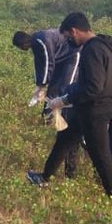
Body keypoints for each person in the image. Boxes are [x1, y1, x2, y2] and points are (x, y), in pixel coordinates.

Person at [26, 13, 112, 198]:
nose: (68, 41)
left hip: (96, 108)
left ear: (74, 31)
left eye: (68, 37)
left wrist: (65, 100)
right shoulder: (103, 46)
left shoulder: (91, 50)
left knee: (100, 155)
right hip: (89, 106)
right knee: (65, 139)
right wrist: (67, 93)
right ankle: (44, 177)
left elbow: (93, 87)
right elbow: (89, 82)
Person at [14, 26, 82, 176]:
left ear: (23, 44)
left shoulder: (41, 41)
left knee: (65, 89)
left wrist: (42, 85)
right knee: (52, 90)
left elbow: (47, 64)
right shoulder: (37, 42)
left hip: (71, 57)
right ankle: (48, 118)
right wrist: (40, 87)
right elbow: (39, 67)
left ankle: (65, 120)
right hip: (62, 60)